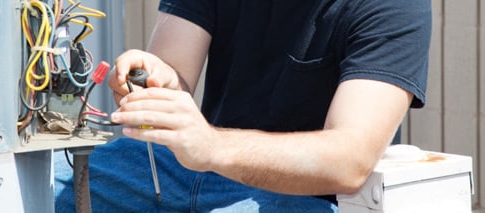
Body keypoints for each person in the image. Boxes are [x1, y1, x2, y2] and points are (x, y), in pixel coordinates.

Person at [87, 0, 431, 212]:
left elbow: (350, 161)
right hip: (183, 170)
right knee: (44, 183)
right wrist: (156, 78)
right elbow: (173, 73)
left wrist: (211, 145)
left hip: (303, 199)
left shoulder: (394, 5)